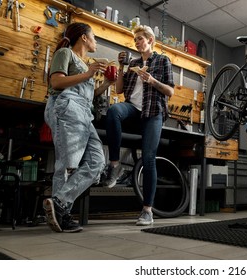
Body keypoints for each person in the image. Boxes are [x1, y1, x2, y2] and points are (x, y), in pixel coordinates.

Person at [43, 22, 116, 233]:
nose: (96, 41)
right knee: (67, 164)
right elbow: (56, 82)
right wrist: (89, 73)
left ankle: (58, 203)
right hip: (66, 106)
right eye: (93, 36)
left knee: (97, 163)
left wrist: (106, 85)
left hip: (84, 112)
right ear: (83, 37)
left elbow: (88, 96)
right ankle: (62, 216)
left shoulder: (86, 65)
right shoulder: (65, 53)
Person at [102, 25, 174, 226]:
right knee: (114, 110)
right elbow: (118, 90)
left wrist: (152, 81)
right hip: (133, 109)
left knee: (148, 159)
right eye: (135, 40)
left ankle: (147, 211)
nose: (137, 42)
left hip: (153, 113)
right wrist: (122, 67)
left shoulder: (162, 61)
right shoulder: (133, 63)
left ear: (150, 40)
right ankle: (115, 165)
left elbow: (170, 92)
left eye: (140, 38)